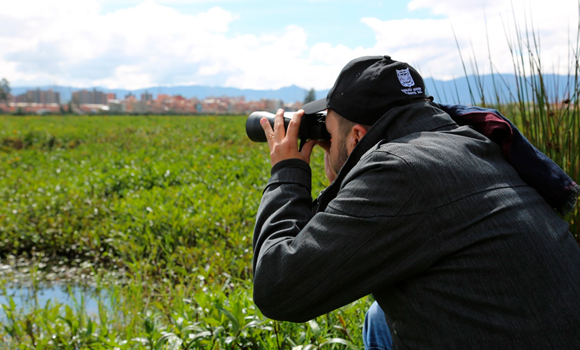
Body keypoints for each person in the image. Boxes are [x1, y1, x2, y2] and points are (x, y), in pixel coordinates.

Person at [251, 55, 580, 349]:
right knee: (379, 317)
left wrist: (287, 173)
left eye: (331, 132)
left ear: (355, 137)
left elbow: (278, 289)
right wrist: (344, 161)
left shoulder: (397, 171)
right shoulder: (473, 141)